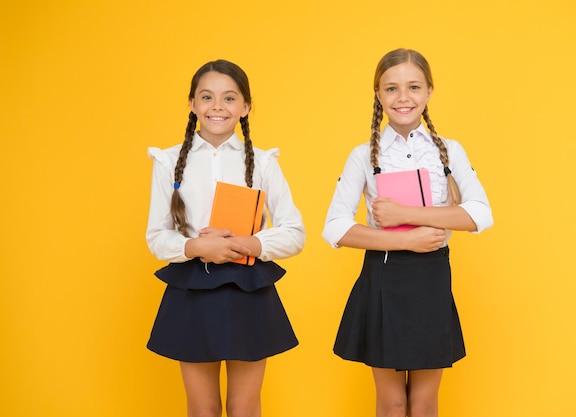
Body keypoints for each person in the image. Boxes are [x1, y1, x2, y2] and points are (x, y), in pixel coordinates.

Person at [322, 48, 493, 417]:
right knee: (393, 401)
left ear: (429, 91)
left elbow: (480, 214)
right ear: (378, 95)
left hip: (431, 278)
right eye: (391, 89)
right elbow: (334, 227)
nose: (403, 98)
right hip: (382, 278)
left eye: (414, 87)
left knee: (424, 401)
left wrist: (406, 214)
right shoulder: (362, 155)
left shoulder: (449, 150)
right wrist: (404, 239)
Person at [145, 59, 305, 417]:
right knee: (202, 409)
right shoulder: (167, 161)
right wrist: (197, 246)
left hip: (248, 286)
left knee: (244, 408)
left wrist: (246, 244)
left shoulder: (264, 163)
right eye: (207, 97)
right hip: (192, 289)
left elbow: (295, 232)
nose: (217, 106)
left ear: (245, 107)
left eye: (229, 98)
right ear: (192, 103)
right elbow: (157, 238)